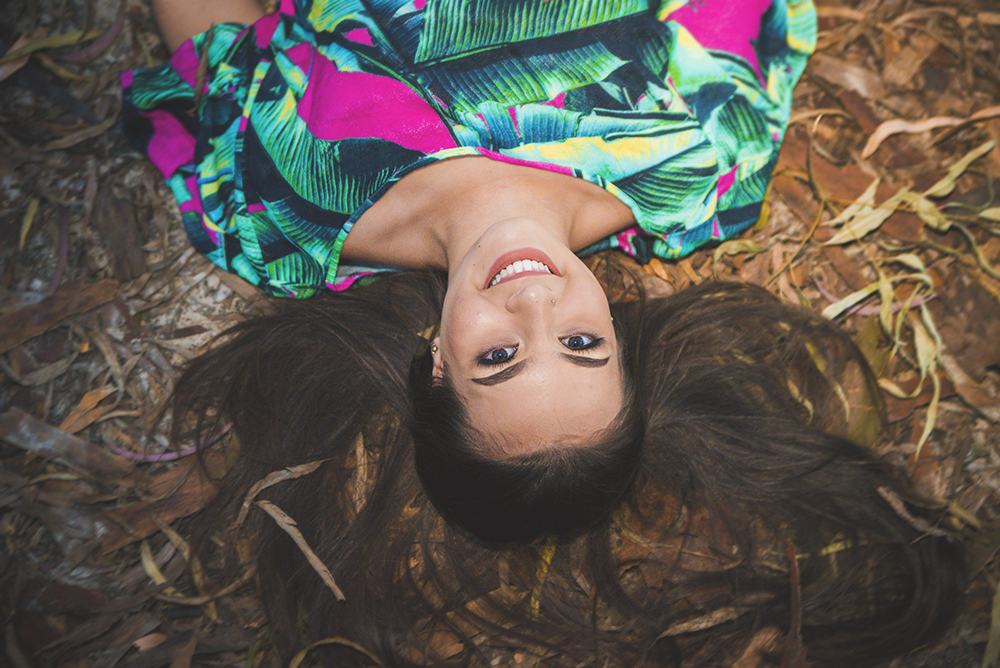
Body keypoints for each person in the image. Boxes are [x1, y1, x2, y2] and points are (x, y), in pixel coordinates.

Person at [122, 0, 967, 665]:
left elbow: (212, 35)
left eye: (500, 357)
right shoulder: (692, 167)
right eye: (581, 345)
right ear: (620, 336)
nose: (536, 304)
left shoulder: (286, 210)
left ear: (437, 366)